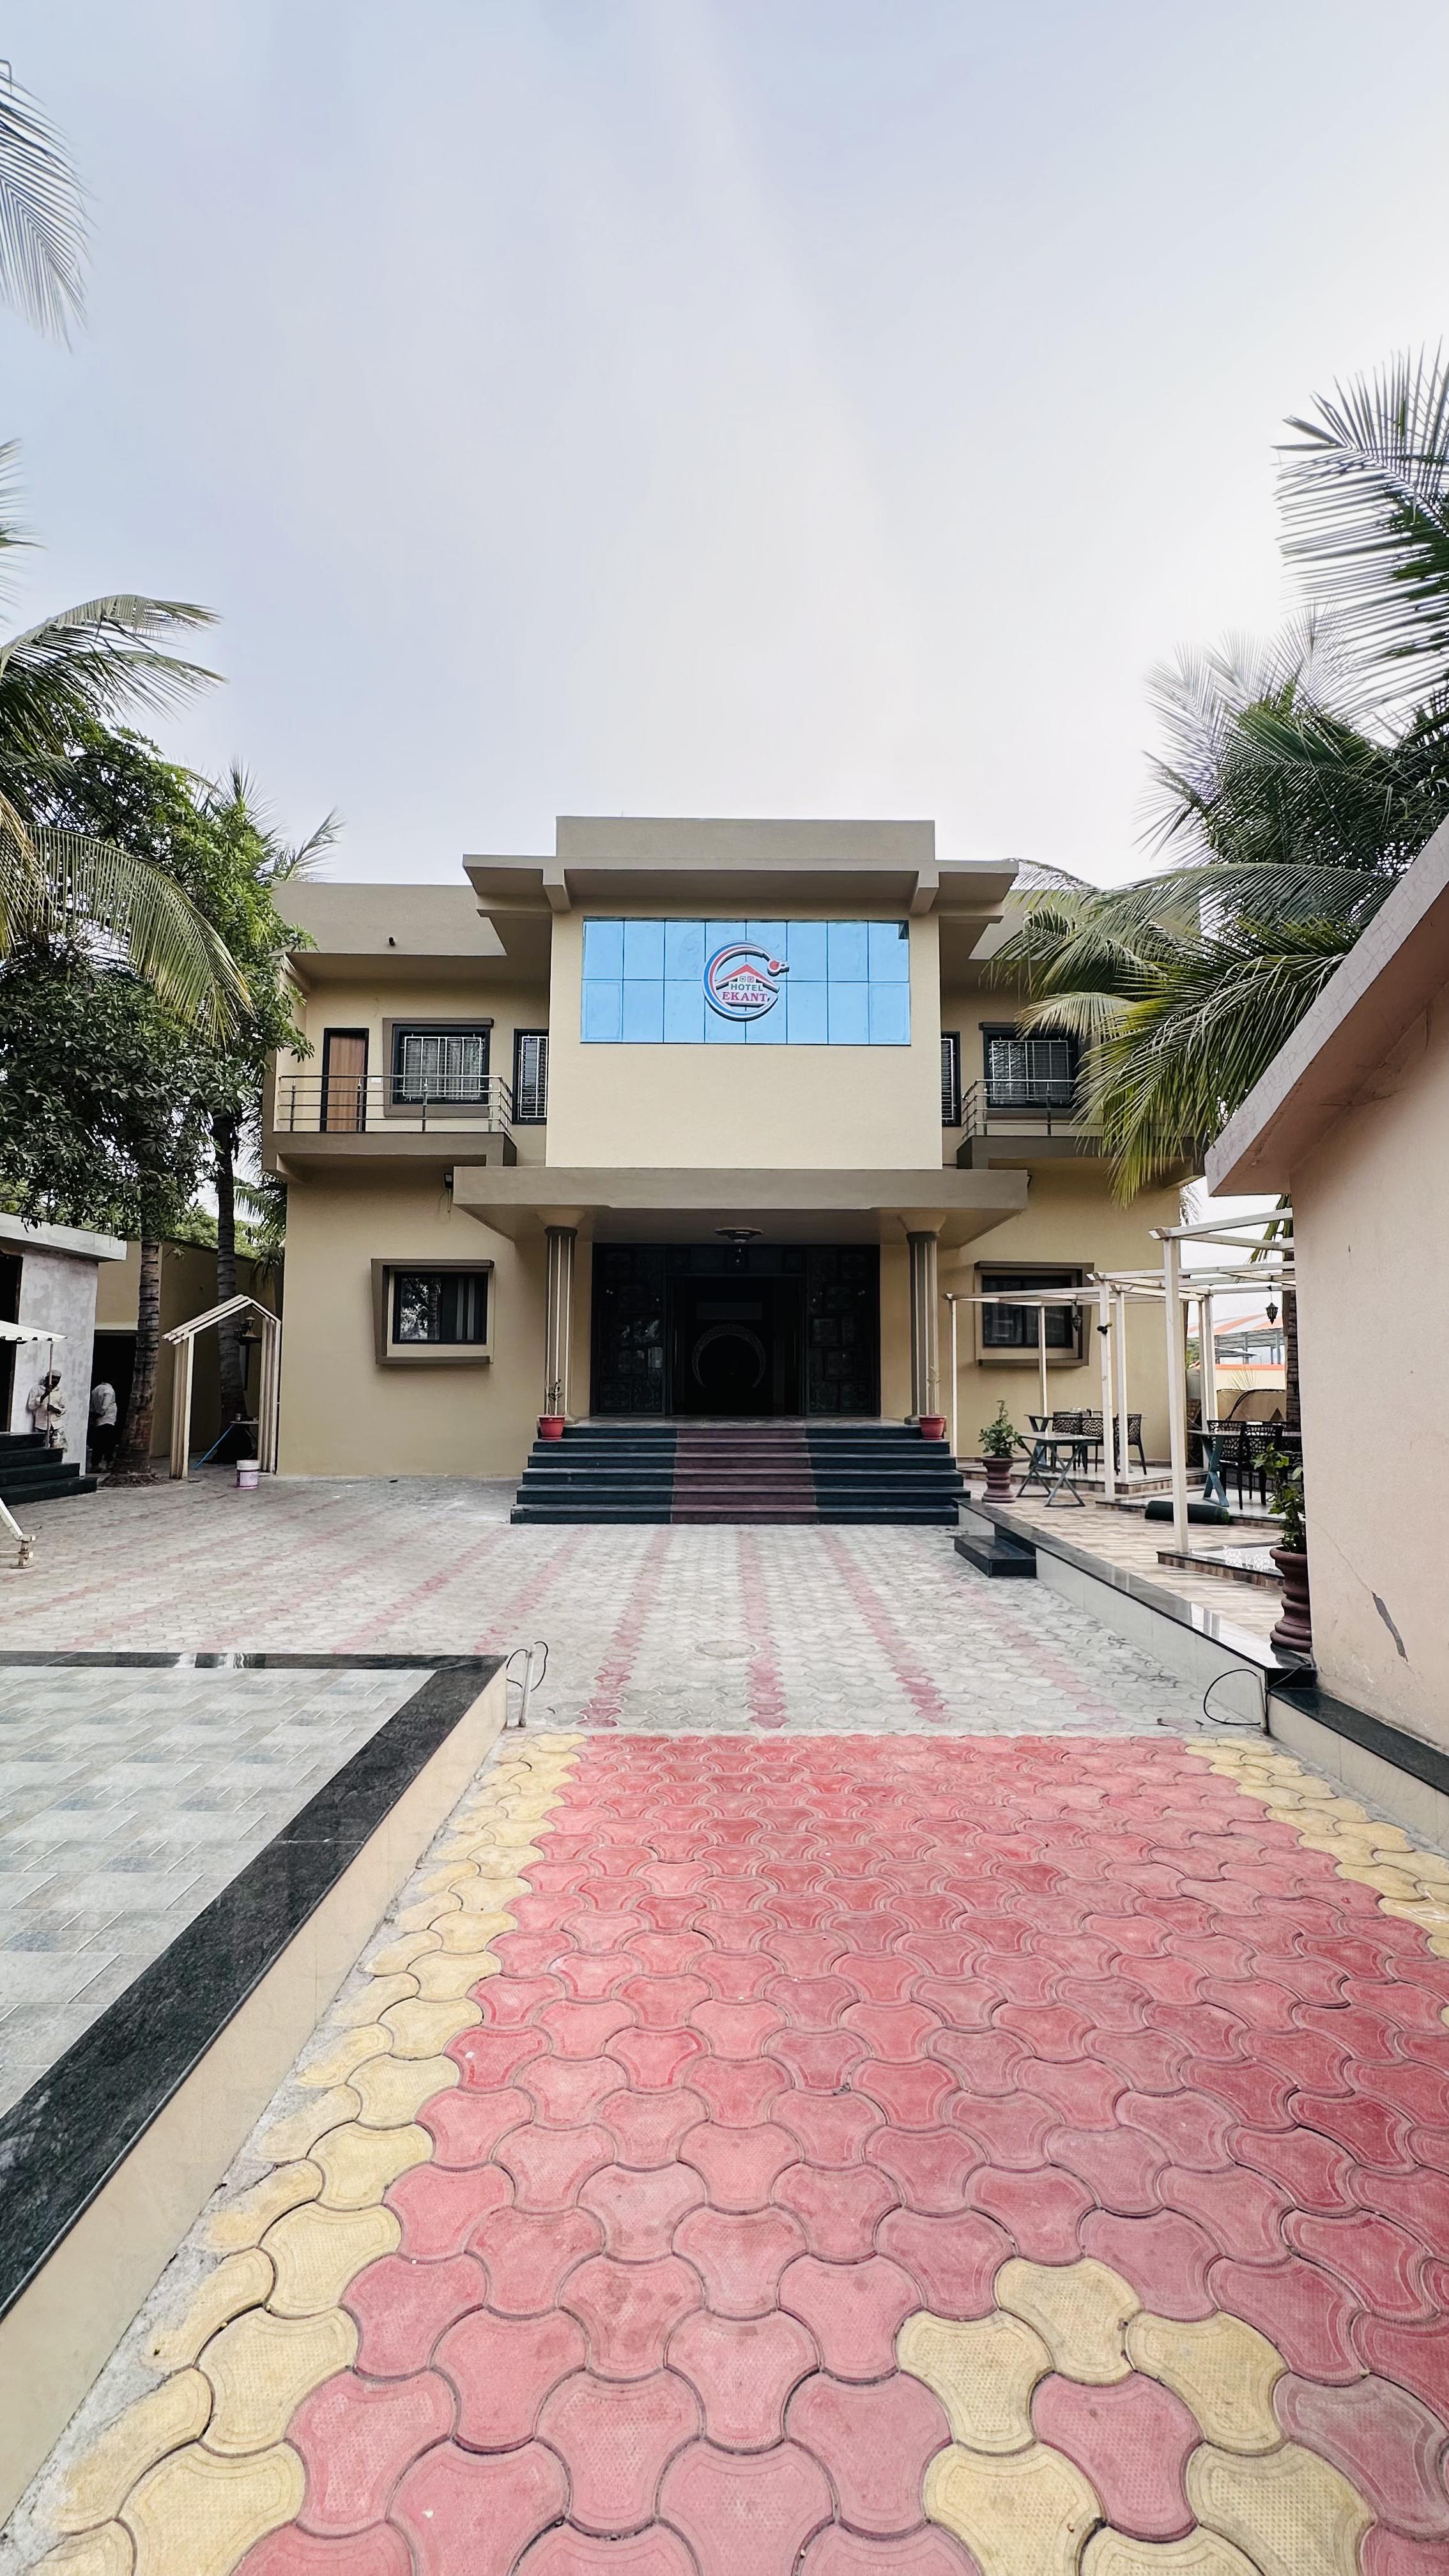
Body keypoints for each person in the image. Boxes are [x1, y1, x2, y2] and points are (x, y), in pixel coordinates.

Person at [26, 1370, 65, 1445]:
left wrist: (55, 1409)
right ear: (47, 1378)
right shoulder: (36, 1390)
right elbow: (31, 1406)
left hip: (57, 1426)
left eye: (58, 1379)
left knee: (59, 1449)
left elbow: (64, 1409)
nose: (55, 1380)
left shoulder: (60, 1392)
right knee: (41, 1448)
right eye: (53, 1378)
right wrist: (45, 1395)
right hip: (41, 1426)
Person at [89, 1377, 118, 1471]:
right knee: (107, 1443)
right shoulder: (109, 1390)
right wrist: (100, 1414)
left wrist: (94, 1417)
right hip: (107, 1419)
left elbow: (92, 1406)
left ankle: (96, 1464)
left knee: (99, 1443)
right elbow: (105, 1406)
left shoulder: (96, 1389)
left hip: (98, 1421)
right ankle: (107, 1462)